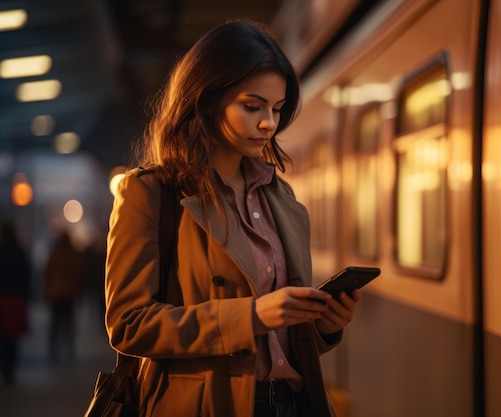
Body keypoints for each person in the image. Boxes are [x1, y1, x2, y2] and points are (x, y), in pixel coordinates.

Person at [105, 20, 361, 417]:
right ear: (206, 101)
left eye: (277, 109)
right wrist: (251, 315)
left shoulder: (280, 196)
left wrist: (325, 325)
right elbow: (128, 323)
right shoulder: (152, 193)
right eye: (252, 106)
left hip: (292, 404)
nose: (269, 124)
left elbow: (283, 339)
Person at [44, 230, 87, 363]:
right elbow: (80, 274)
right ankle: (69, 349)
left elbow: (47, 273)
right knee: (68, 322)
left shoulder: (54, 254)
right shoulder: (74, 255)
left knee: (55, 323)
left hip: (55, 294)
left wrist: (47, 290)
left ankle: (53, 349)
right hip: (70, 293)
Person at [0, 221, 31, 385]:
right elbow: (26, 276)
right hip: (15, 299)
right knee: (12, 337)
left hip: (2, 298)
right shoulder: (19, 252)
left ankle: (4, 367)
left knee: (2, 336)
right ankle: (10, 370)